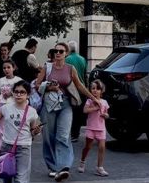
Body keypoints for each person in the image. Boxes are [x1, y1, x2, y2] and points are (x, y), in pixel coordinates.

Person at [34, 42, 99, 182]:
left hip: (65, 104)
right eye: (55, 51)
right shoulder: (47, 67)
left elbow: (79, 85)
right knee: (49, 136)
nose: (57, 53)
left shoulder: (70, 68)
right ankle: (52, 167)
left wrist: (94, 98)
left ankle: (63, 167)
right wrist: (49, 88)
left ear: (66, 54)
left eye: (61, 51)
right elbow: (36, 85)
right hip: (49, 104)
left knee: (63, 135)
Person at [0, 80, 42, 183]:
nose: (18, 94)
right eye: (16, 91)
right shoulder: (5, 108)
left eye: (22, 92)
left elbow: (33, 131)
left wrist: (36, 131)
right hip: (6, 146)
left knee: (21, 180)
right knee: (6, 176)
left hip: (24, 148)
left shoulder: (32, 112)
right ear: (12, 93)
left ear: (28, 95)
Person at [78, 80, 109, 177]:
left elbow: (107, 113)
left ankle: (99, 167)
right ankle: (82, 161)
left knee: (102, 147)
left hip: (101, 128)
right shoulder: (89, 101)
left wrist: (105, 115)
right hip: (91, 128)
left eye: (98, 89)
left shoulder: (104, 102)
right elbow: (85, 110)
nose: (95, 91)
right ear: (90, 90)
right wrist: (95, 108)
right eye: (93, 88)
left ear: (101, 91)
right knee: (88, 147)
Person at [64, 40, 87, 142]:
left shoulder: (67, 59)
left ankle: (70, 133)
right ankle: (75, 134)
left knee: (70, 111)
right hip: (81, 88)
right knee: (78, 113)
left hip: (71, 89)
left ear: (68, 49)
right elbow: (85, 74)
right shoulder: (82, 59)